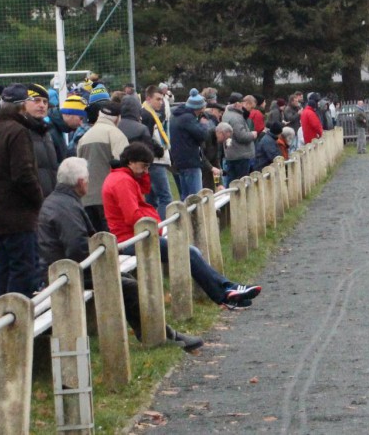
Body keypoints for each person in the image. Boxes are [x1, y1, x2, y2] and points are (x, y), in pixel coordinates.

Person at [38, 157, 203, 351]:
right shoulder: (66, 207)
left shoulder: (59, 201)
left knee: (124, 279)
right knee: (129, 286)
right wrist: (104, 258)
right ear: (81, 182)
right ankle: (158, 335)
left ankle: (162, 333)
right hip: (66, 274)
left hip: (65, 268)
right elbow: (77, 248)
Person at [103, 143, 262, 309]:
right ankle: (226, 292)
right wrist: (153, 220)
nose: (146, 171)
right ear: (131, 162)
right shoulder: (122, 181)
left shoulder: (123, 178)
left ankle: (226, 293)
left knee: (191, 252)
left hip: (137, 236)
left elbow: (141, 197)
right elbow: (132, 216)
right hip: (132, 239)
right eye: (144, 166)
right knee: (189, 252)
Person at [0, 84, 46, 297]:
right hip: (18, 214)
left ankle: (0, 320)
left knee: (3, 268)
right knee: (22, 270)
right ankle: (17, 323)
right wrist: (39, 199)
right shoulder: (18, 131)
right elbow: (23, 174)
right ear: (22, 106)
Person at [76, 101, 128, 233]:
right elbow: (125, 166)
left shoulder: (84, 137)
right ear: (117, 118)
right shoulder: (115, 134)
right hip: (108, 199)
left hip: (86, 199)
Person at [169, 89, 210, 200]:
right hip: (190, 161)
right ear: (200, 107)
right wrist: (204, 125)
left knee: (185, 195)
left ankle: (186, 216)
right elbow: (203, 135)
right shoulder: (188, 118)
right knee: (195, 197)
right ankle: (194, 217)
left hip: (180, 161)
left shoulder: (176, 116)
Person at [141, 85, 174, 219]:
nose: (161, 102)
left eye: (162, 100)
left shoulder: (151, 114)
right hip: (155, 161)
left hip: (153, 161)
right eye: (158, 99)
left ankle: (153, 225)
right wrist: (159, 150)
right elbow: (147, 137)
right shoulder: (147, 115)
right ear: (148, 99)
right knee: (166, 198)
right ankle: (161, 228)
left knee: (151, 200)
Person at [21, 84, 60, 196]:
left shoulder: (46, 132)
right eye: (36, 100)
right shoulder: (20, 131)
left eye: (45, 102)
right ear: (24, 103)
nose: (42, 105)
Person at [221, 93, 257, 186]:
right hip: (240, 154)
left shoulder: (227, 114)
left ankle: (230, 199)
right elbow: (241, 136)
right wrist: (252, 135)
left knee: (231, 181)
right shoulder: (236, 117)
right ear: (237, 104)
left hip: (231, 153)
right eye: (241, 102)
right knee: (241, 183)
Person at [199, 103, 226, 190]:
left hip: (208, 169)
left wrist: (219, 184)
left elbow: (215, 162)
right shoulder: (206, 137)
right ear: (220, 133)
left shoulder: (217, 140)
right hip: (201, 170)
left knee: (211, 190)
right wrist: (211, 168)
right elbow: (201, 156)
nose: (224, 141)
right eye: (224, 137)